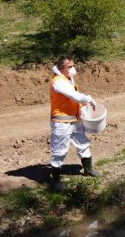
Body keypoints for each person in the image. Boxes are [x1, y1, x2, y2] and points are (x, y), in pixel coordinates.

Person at [49, 56, 99, 191]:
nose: (73, 68)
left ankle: (88, 169)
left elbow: (74, 97)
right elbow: (74, 96)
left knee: (83, 142)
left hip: (74, 119)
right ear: (62, 69)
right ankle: (55, 180)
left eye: (72, 65)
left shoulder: (67, 79)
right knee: (59, 149)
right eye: (70, 66)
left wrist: (83, 103)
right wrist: (89, 98)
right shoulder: (58, 81)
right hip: (62, 122)